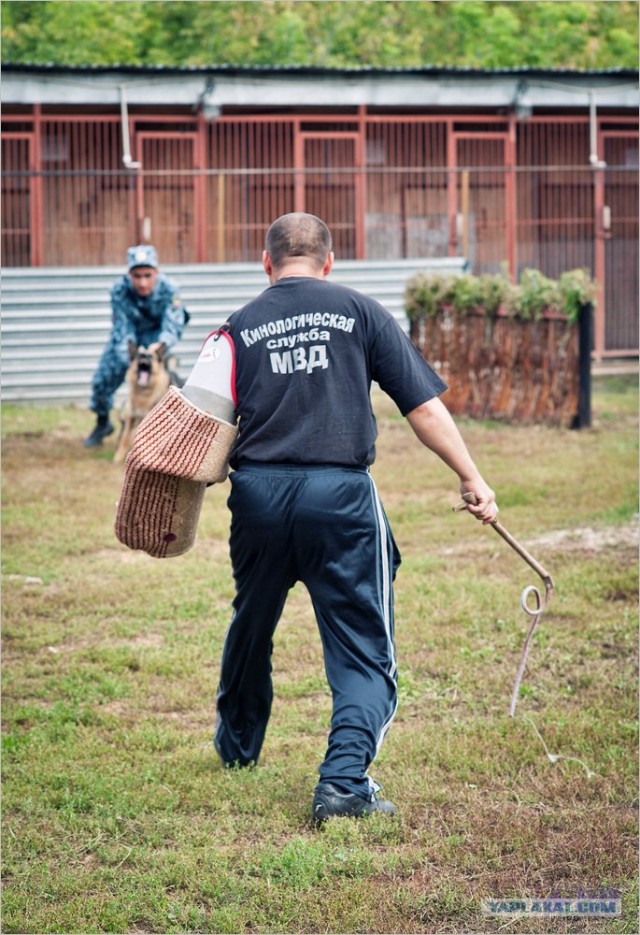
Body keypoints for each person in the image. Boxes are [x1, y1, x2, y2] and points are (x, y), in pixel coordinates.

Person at [214, 213, 498, 821]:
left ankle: (237, 747)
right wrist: (471, 477)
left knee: (252, 619)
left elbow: (198, 424)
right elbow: (421, 408)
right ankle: (343, 784)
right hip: (338, 497)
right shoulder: (361, 311)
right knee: (363, 646)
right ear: (329, 261)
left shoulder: (236, 327)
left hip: (257, 497)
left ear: (267, 264)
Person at [84, 244, 189, 447]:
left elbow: (174, 323)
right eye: (137, 275)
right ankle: (103, 423)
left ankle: (165, 434)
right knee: (101, 381)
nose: (142, 282)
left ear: (156, 273)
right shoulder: (119, 290)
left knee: (168, 385)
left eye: (148, 275)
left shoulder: (170, 289)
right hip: (128, 341)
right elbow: (122, 327)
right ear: (129, 274)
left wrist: (160, 347)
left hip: (157, 340)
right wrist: (133, 356)